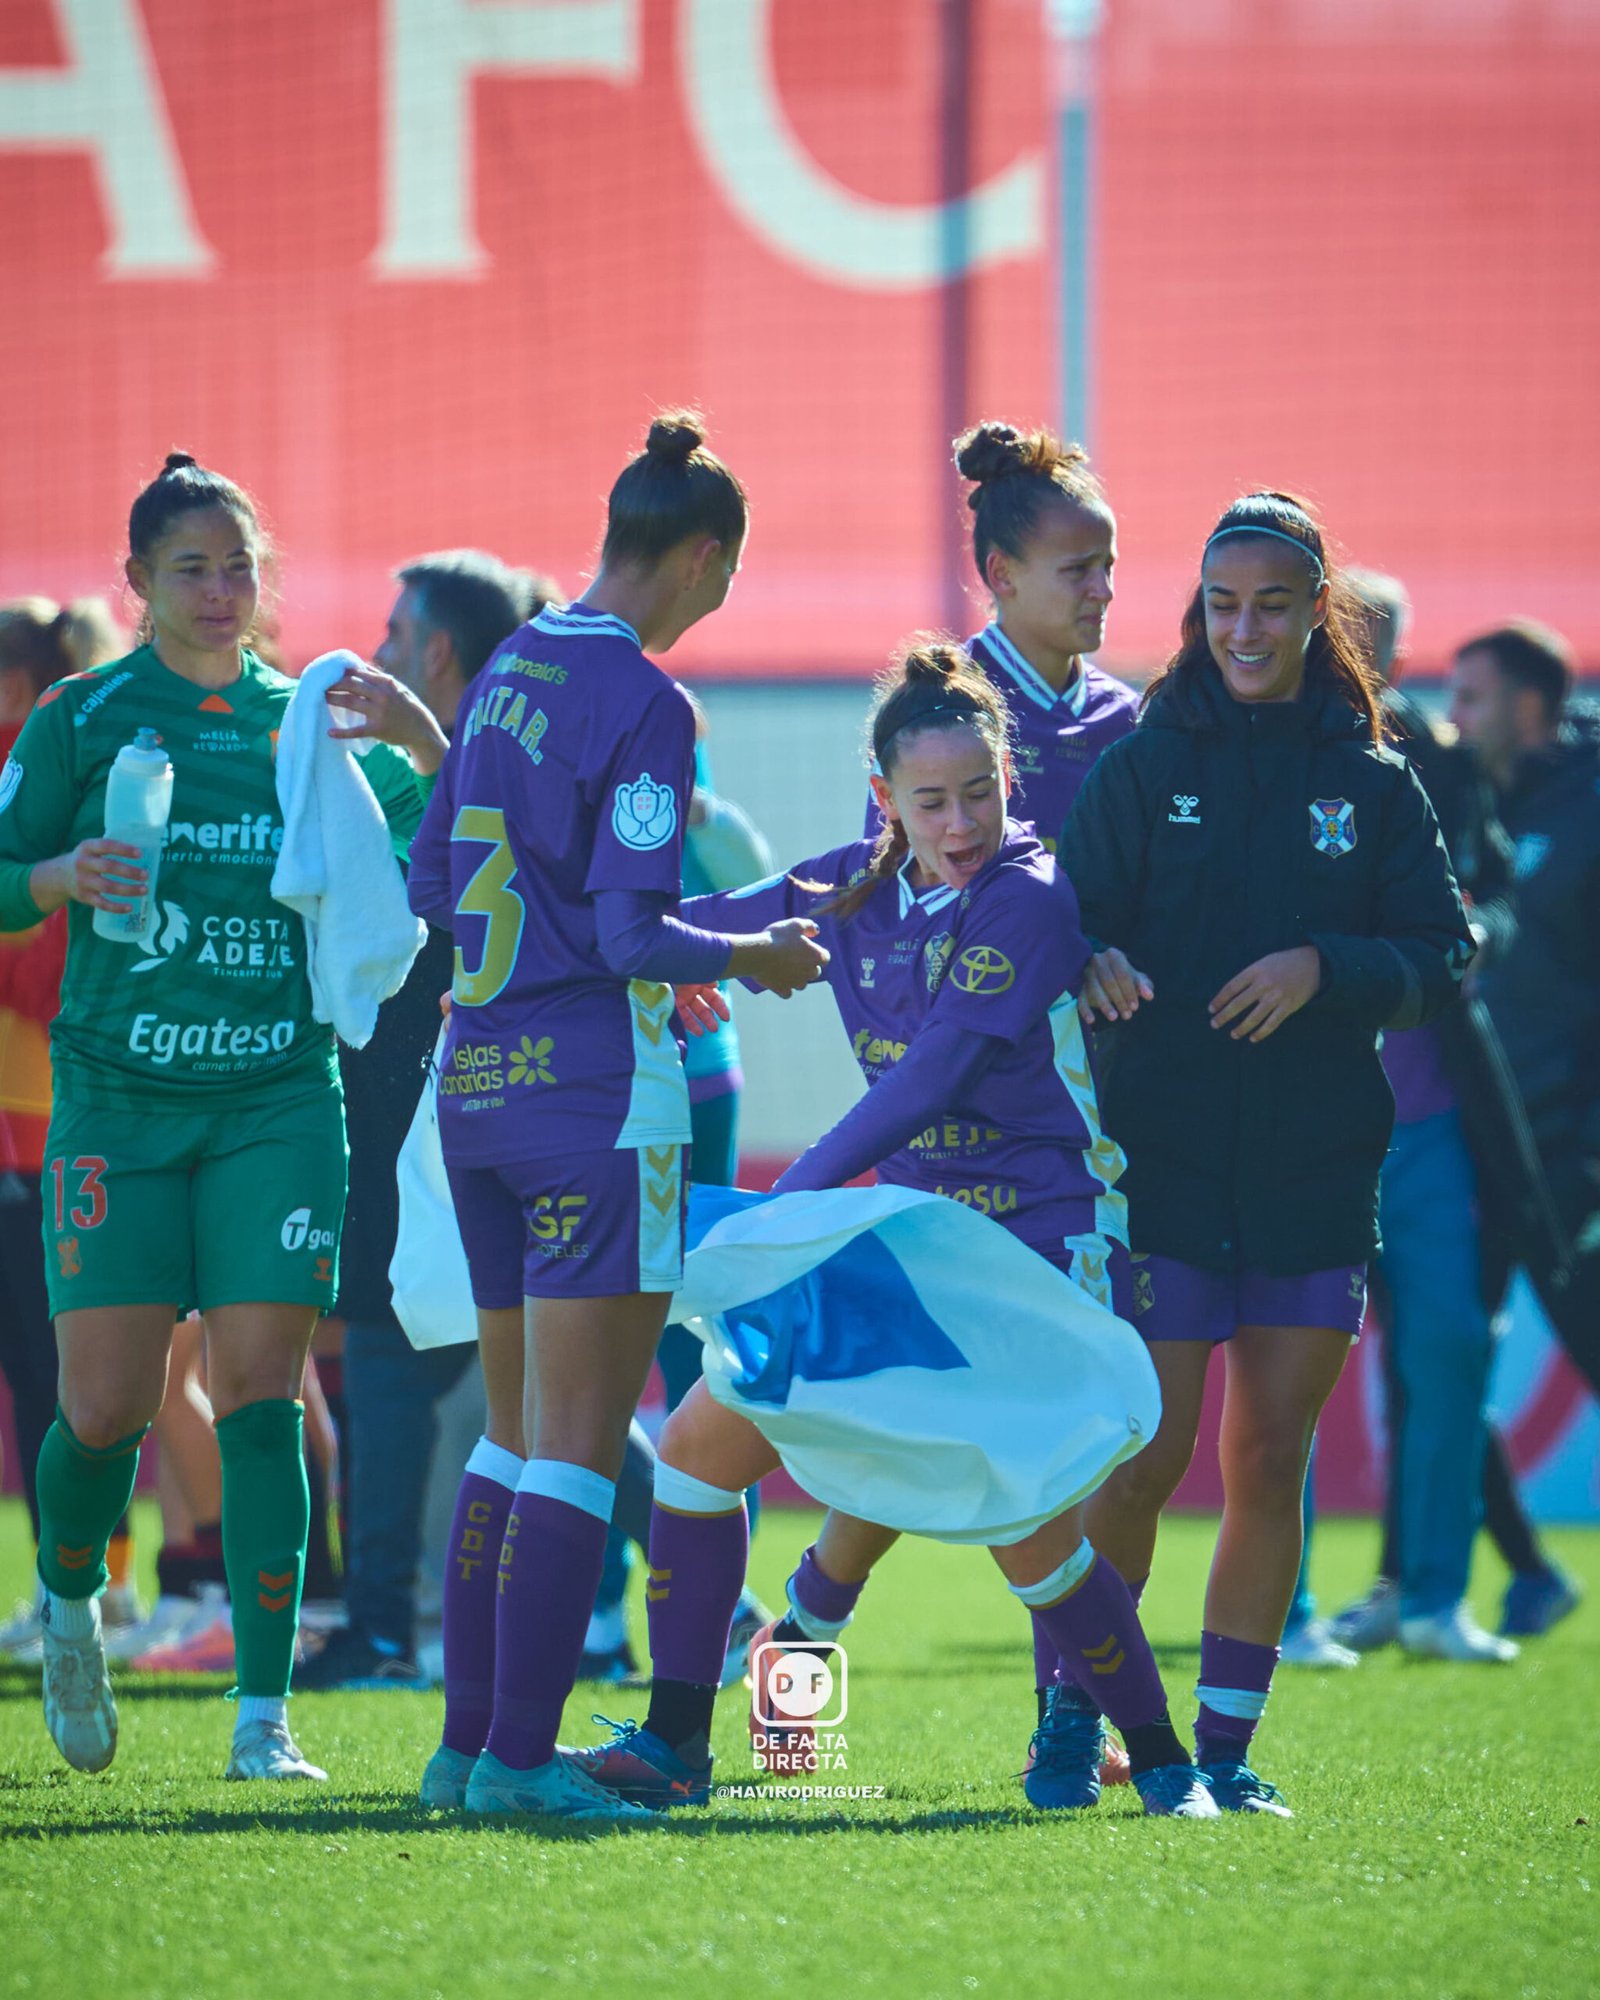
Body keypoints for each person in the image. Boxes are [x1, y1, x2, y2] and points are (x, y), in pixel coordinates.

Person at [570, 640, 1217, 1821]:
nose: (962, 818)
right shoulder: (852, 884)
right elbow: (677, 922)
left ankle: (1165, 1765)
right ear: (884, 800)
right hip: (907, 1236)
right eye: (931, 798)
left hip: (1031, 1245)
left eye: (981, 791)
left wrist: (790, 1207)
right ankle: (679, 1741)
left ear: (1008, 783)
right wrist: (632, 962)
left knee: (1021, 1529)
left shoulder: (1026, 894)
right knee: (709, 1447)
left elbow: (928, 1080)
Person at [405, 411, 828, 1824]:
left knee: (511, 1439)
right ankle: (524, 1766)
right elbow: (636, 927)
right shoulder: (645, 702)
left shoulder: (508, 664)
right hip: (596, 1106)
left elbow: (438, 890)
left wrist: (712, 937)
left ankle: (467, 1750)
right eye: (726, 577)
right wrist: (747, 960)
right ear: (704, 554)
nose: (718, 605)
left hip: (477, 1094)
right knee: (582, 1448)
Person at [0, 451, 445, 1781]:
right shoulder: (81, 719)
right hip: (119, 1113)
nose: (219, 589)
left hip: (276, 1103)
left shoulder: (306, 720)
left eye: (240, 565)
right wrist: (57, 872)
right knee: (105, 1410)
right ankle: (72, 1599)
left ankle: (265, 1717)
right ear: (137, 583)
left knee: (259, 1392)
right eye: (189, 567)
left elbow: (447, 837)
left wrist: (420, 735)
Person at [1061, 492, 1473, 1814]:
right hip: (1163, 1167)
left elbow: (1442, 960)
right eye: (1224, 603)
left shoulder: (1373, 780)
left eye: (1274, 603)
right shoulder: (1144, 761)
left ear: (1314, 615)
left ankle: (1224, 1756)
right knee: (1142, 1460)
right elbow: (1059, 924)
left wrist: (1324, 966)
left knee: (1268, 1462)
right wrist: (1093, 962)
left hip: (1312, 1173)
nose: (1246, 628)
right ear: (1200, 611)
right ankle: (1076, 1725)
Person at [296, 549, 546, 1692]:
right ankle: (381, 1622)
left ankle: (382, 1624)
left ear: (436, 651)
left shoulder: (496, 750)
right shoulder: (400, 766)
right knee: (518, 1368)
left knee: (437, 1366)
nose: (379, 652)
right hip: (419, 1102)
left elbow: (511, 858)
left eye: (397, 633)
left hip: (460, 1106)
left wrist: (415, 737)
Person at [1448, 619, 1597, 1633]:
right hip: (1479, 1132)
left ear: (1530, 703)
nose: (1455, 719)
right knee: (1445, 1357)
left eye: (1473, 697)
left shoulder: (1588, 806)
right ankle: (1522, 1568)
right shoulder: (1462, 805)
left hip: (1574, 1148)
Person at [866, 422, 1135, 853]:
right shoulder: (937, 704)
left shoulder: (1127, 718)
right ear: (1002, 573)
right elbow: (892, 881)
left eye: (1108, 566)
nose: (1104, 590)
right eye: (1077, 570)